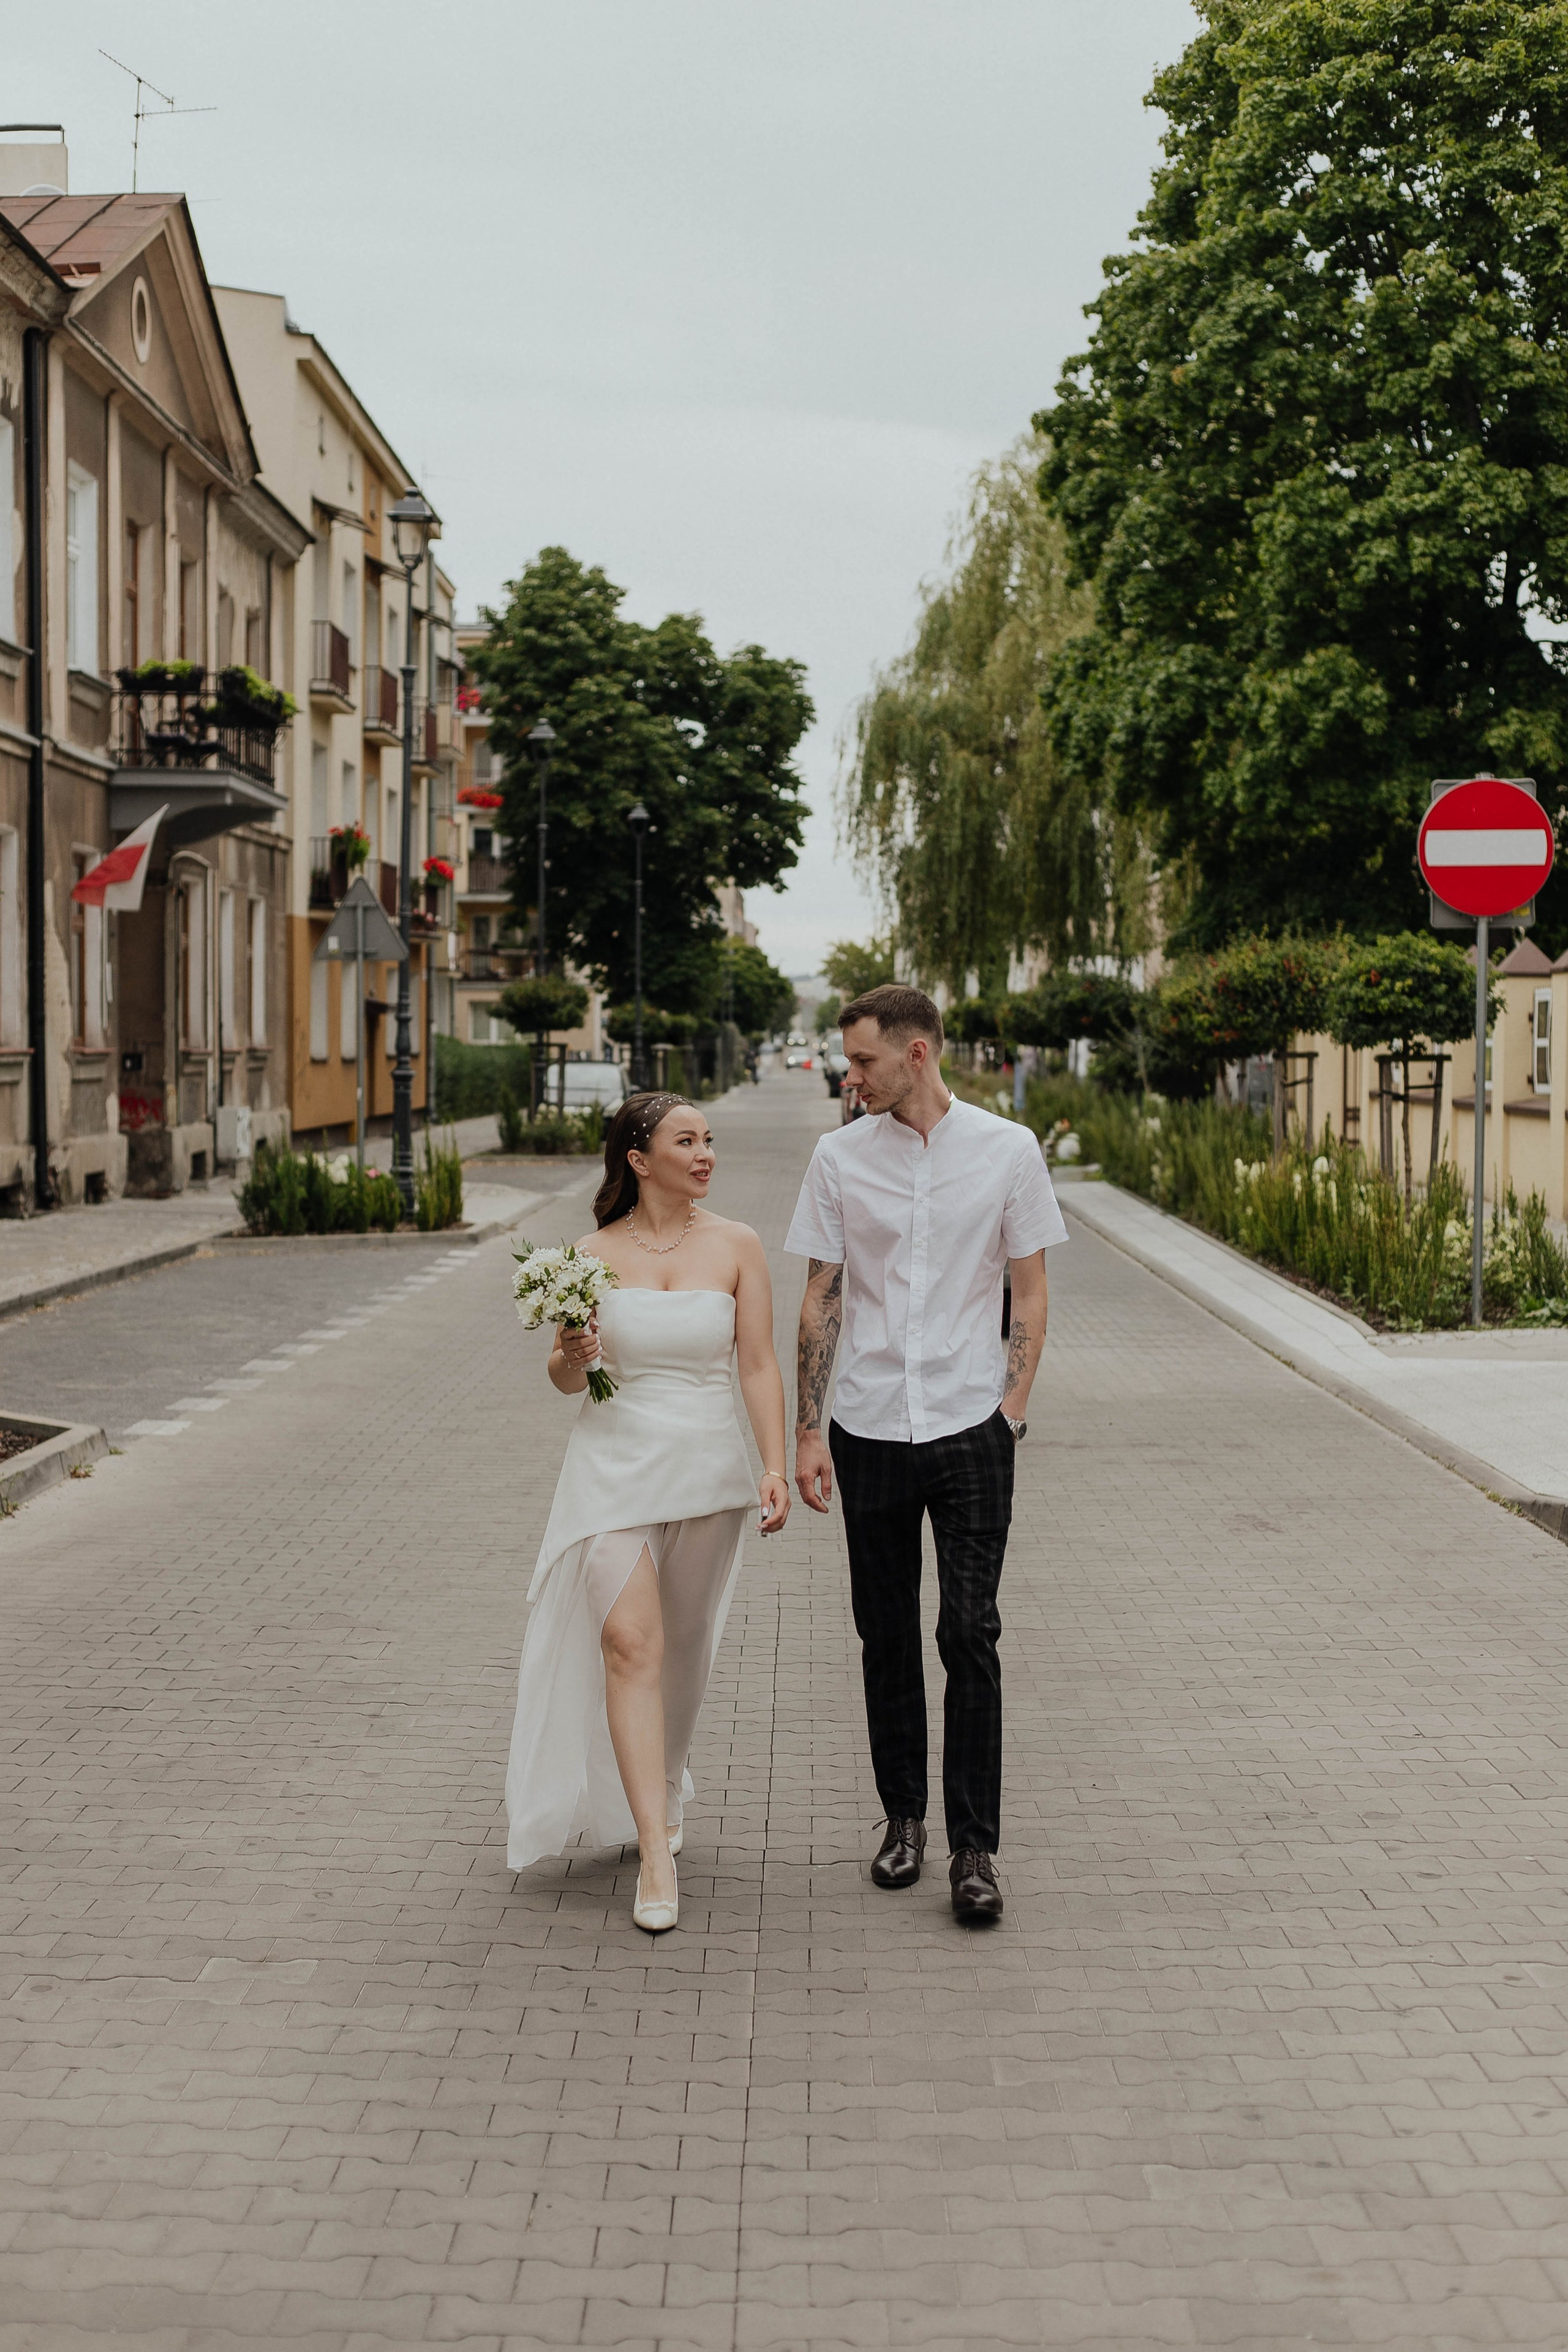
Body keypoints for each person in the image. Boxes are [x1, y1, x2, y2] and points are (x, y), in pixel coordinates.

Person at [785, 984, 1066, 1925]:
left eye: (862, 1061)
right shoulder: (837, 1156)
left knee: (969, 1634)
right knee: (886, 1631)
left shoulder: (1007, 1151)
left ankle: (975, 1849)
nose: (848, 1076)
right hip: (866, 1423)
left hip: (970, 1424)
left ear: (916, 1054)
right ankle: (903, 1819)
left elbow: (1028, 1289)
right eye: (846, 1061)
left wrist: (1010, 1411)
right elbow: (822, 1295)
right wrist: (807, 1427)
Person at [507, 1091, 791, 1933]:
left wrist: (773, 1462)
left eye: (710, 1141)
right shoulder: (585, 1256)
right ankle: (655, 1859)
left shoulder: (737, 1244)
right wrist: (571, 1352)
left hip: (707, 1466)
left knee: (685, 1647)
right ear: (637, 1158)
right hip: (611, 1465)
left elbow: (760, 1366)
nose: (705, 1155)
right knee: (630, 1643)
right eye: (686, 1141)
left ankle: (664, 1791)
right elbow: (566, 1381)